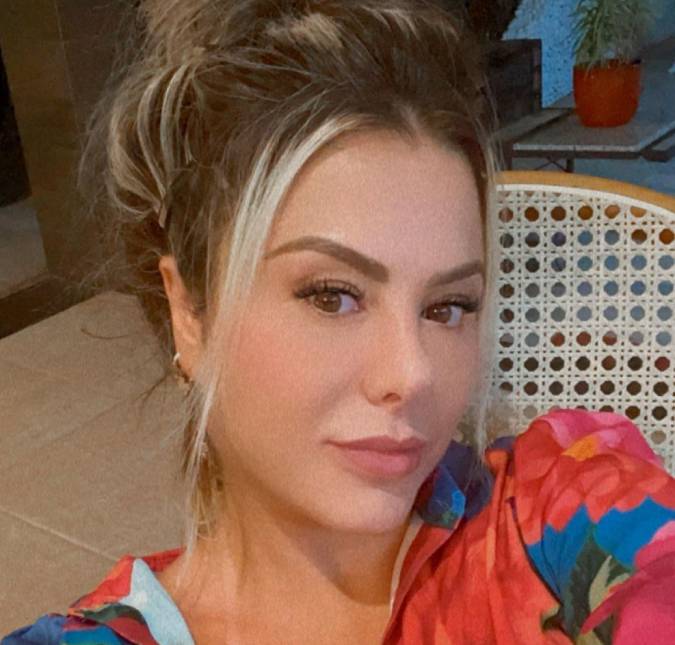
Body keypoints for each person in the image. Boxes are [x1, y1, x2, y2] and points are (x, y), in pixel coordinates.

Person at [4, 0, 675, 643]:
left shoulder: (556, 522)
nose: (411, 373)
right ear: (189, 314)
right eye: (332, 296)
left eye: (448, 307)